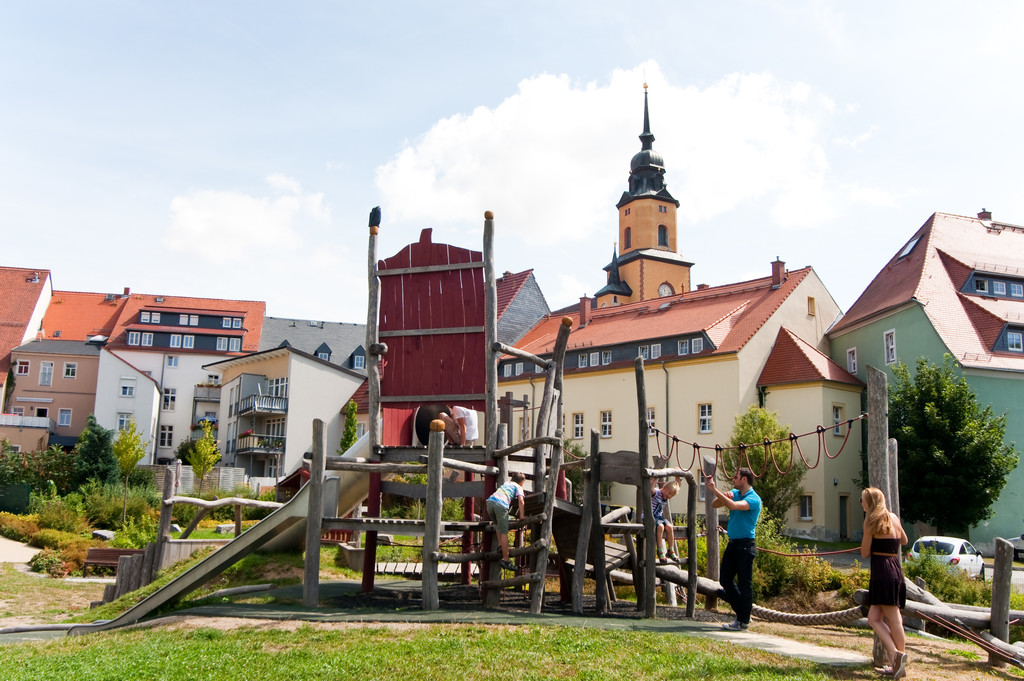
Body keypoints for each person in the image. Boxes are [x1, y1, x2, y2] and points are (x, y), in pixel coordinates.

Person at [860, 487, 909, 679]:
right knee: (874, 617)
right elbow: (903, 540)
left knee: (894, 618)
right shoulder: (893, 518)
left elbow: (864, 552)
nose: (861, 503)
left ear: (870, 502)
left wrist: (871, 540)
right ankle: (896, 656)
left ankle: (899, 660)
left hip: (882, 572)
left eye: (862, 500)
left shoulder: (871, 522)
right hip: (895, 569)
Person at [707, 467, 761, 632]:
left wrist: (715, 489)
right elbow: (714, 504)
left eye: (736, 477)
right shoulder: (734, 492)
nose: (733, 480)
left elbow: (733, 506)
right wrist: (723, 496)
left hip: (746, 545)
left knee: (745, 584)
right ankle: (743, 614)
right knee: (725, 580)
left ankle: (743, 621)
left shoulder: (753, 499)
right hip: (733, 544)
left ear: (744, 479)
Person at [486, 471, 526, 572]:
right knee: (504, 532)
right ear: (521, 482)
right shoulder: (518, 487)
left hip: (490, 502)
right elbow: (521, 501)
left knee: (498, 526)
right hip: (501, 504)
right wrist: (521, 516)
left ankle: (500, 546)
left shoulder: (506, 484)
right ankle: (506, 560)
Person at [650, 476, 681, 562]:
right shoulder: (657, 492)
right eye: (669, 493)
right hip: (650, 517)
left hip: (659, 517)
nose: (670, 496)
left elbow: (679, 486)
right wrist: (655, 478)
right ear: (664, 488)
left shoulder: (666, 496)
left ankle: (671, 550)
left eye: (672, 495)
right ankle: (660, 550)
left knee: (670, 527)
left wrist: (677, 477)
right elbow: (651, 489)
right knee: (660, 527)